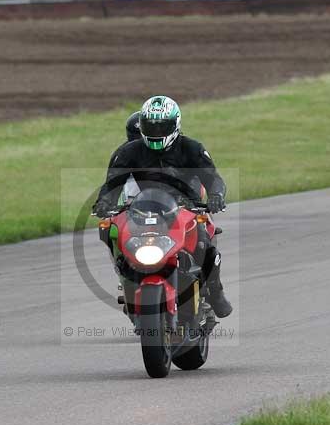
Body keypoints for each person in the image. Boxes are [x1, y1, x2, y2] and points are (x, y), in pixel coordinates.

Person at [92, 95, 232, 318]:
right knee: (110, 230)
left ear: (175, 124)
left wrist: (215, 195)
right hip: (141, 208)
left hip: (186, 207)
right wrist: (104, 201)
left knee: (205, 239)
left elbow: (213, 179)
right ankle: (127, 278)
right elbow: (112, 184)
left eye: (163, 127)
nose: (156, 132)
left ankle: (215, 292)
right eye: (151, 126)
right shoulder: (127, 152)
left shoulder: (192, 149)